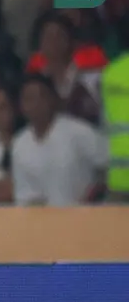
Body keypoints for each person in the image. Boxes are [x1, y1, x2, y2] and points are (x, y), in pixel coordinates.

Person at [11, 74, 106, 206]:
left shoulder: (78, 132)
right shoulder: (19, 143)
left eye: (41, 97)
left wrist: (95, 194)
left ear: (52, 99)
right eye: (29, 99)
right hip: (42, 222)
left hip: (83, 217)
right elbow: (23, 193)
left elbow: (106, 162)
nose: (35, 104)